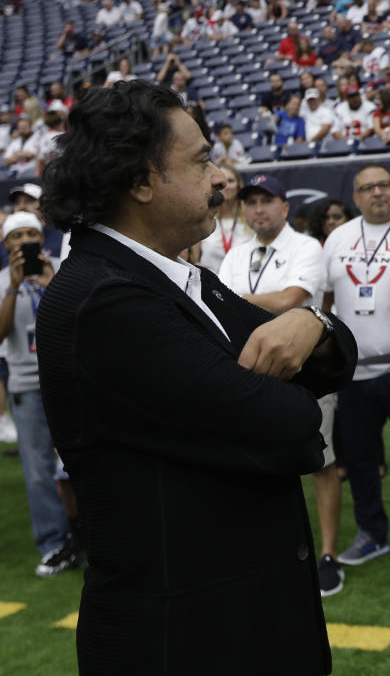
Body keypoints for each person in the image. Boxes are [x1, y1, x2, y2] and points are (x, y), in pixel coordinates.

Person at [36, 80, 358, 675]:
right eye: (202, 160)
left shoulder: (183, 278)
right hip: (186, 639)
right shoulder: (103, 301)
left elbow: (338, 359)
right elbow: (291, 429)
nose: (220, 179)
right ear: (139, 181)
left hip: (242, 624)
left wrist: (311, 319)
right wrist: (299, 352)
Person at [217, 173, 344, 596]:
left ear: (285, 207)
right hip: (249, 368)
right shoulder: (237, 252)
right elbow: (224, 300)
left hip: (305, 368)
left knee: (322, 464)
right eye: (251, 202)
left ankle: (328, 555)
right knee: (254, 462)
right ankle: (264, 551)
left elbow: (292, 300)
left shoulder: (306, 246)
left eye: (267, 201)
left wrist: (234, 300)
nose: (258, 209)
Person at [320, 166, 390, 566]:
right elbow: (326, 298)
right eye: (368, 188)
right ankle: (372, 534)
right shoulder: (338, 238)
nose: (378, 193)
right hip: (354, 370)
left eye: (385, 185)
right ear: (356, 196)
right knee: (360, 460)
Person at [0, 211, 78, 577]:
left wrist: (52, 284)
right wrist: (15, 287)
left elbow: (81, 316)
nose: (24, 241)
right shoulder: (2, 282)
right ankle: (54, 543)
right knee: (37, 472)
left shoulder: (60, 269)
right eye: (17, 236)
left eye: (31, 233)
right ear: (6, 244)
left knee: (81, 461)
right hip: (27, 384)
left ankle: (89, 535)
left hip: (67, 378)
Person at [198, 163, 251, 273]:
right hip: (210, 285)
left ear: (239, 186)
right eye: (221, 182)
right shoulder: (202, 218)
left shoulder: (251, 219)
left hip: (242, 286)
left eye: (231, 181)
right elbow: (194, 259)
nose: (226, 186)